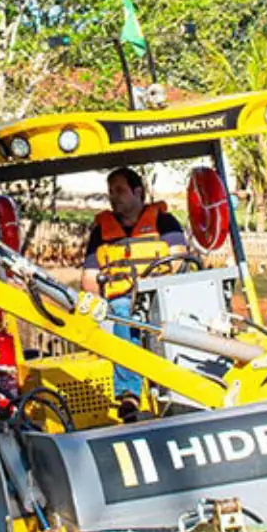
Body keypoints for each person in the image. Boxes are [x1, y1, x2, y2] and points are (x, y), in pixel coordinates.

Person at [82, 166, 188, 419]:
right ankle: (128, 394)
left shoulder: (164, 222)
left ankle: (179, 385)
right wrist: (97, 305)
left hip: (160, 296)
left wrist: (149, 284)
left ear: (138, 191)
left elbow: (178, 259)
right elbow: (89, 278)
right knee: (121, 312)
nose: (114, 197)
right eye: (111, 192)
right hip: (119, 301)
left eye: (120, 190)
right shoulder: (101, 233)